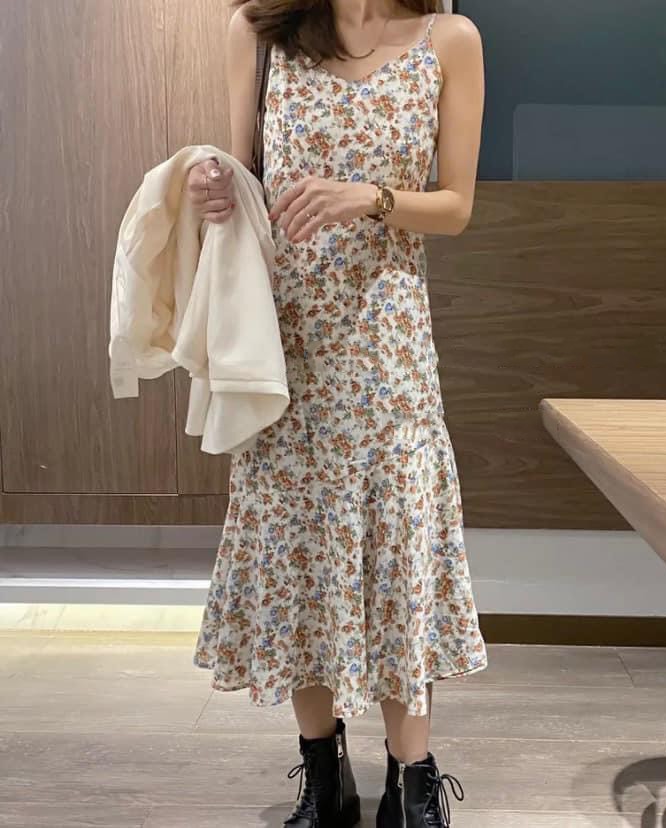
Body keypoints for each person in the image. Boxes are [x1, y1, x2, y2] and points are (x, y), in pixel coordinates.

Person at [188, 1, 487, 825]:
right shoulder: (260, 32)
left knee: (398, 550)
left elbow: (456, 205)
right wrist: (213, 186)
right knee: (299, 552)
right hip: (287, 346)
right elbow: (244, 182)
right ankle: (324, 779)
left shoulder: (449, 40)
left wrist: (370, 197)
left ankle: (412, 783)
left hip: (390, 348)